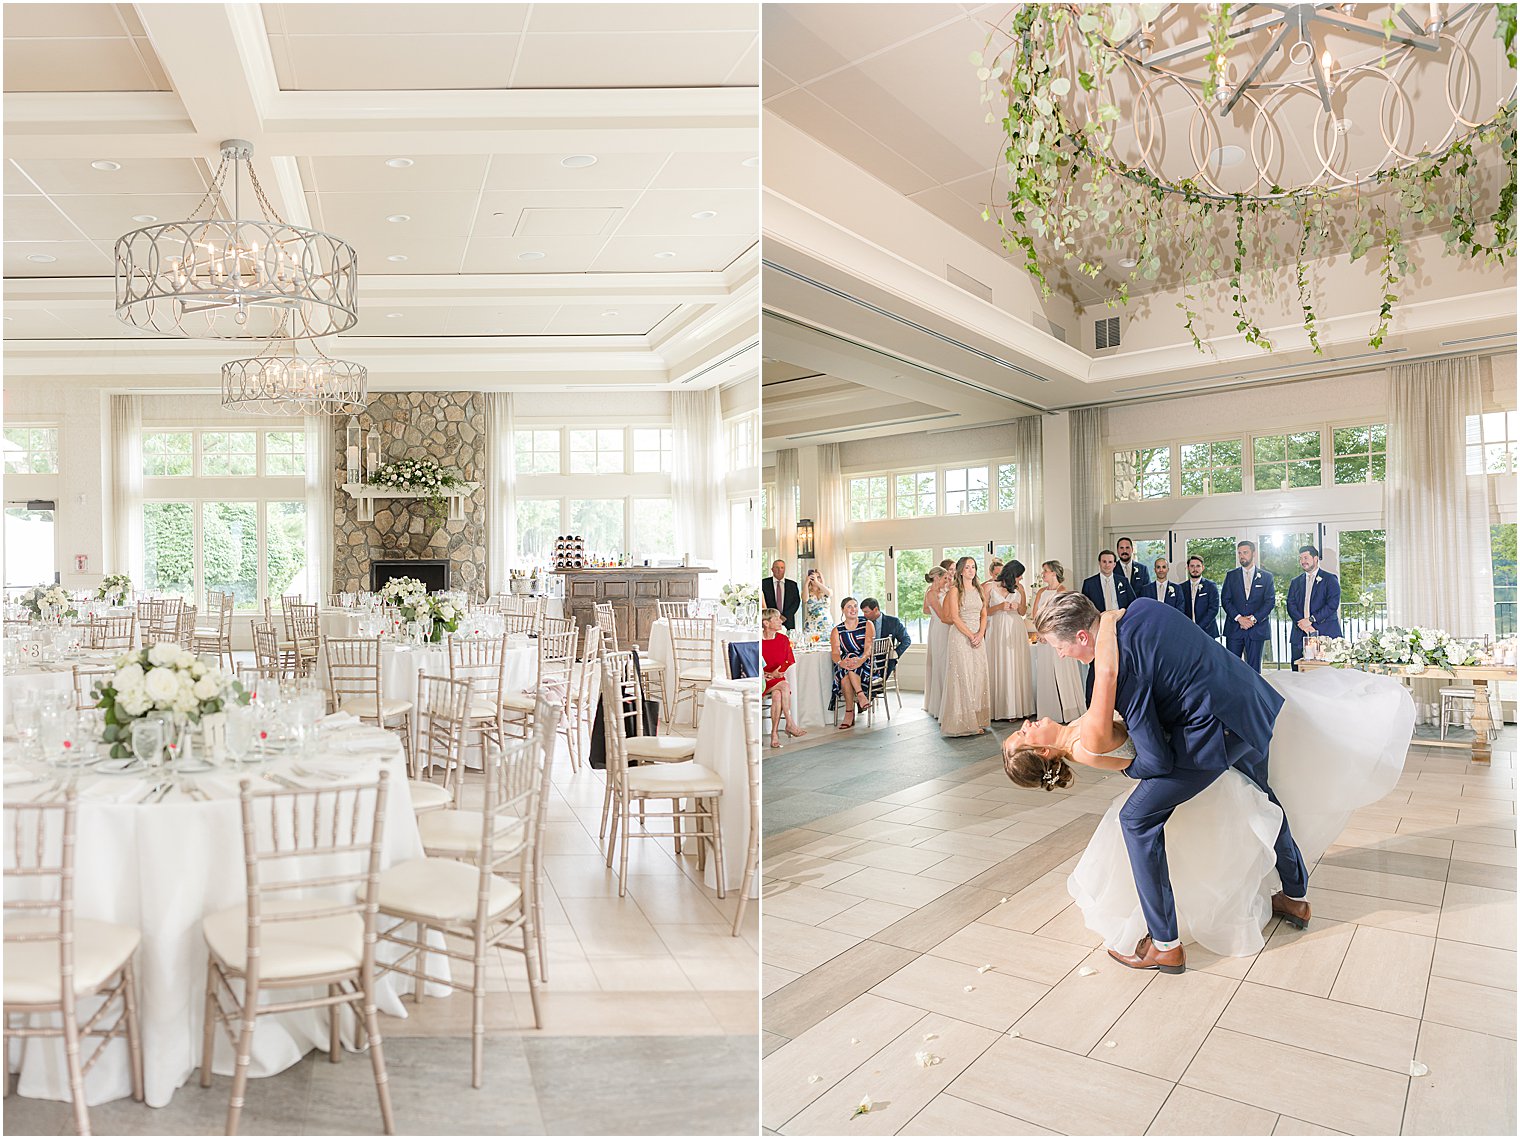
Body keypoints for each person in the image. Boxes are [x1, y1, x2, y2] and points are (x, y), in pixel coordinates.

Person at [1006, 592, 1412, 963]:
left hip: (1217, 732)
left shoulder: (1113, 673)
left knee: (1136, 820)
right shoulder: (1144, 607)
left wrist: (1132, 770)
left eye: (1058, 647)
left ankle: (1165, 946)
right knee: (1261, 795)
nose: (1059, 656)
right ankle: (1295, 896)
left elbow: (1154, 758)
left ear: (1080, 637)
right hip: (1250, 703)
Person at [937, 556, 991, 737]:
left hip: (978, 637)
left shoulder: (979, 589)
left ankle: (977, 719)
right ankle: (963, 723)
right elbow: (954, 617)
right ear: (960, 571)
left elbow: (984, 614)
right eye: (967, 567)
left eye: (973, 567)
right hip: (961, 637)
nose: (971, 570)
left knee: (978, 676)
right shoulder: (955, 591)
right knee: (963, 676)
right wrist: (970, 635)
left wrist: (980, 634)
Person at [1031, 561, 1087, 722]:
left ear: (1054, 573)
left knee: (1062, 672)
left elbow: (1061, 615)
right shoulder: (1041, 591)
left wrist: (1048, 633)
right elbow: (1036, 613)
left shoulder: (1062, 591)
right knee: (1046, 672)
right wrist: (1040, 632)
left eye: (1046, 571)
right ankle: (1050, 712)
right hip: (1043, 638)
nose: (1043, 574)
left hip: (1058, 637)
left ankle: (1069, 710)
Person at [985, 560, 1035, 721]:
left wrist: (1016, 607)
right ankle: (999, 708)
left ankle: (1016, 708)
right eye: (1019, 576)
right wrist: (999, 607)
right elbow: (983, 611)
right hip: (996, 629)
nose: (1020, 579)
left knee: (1015, 665)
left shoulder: (1019, 588)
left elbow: (1023, 611)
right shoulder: (989, 587)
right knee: (998, 664)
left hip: (1015, 629)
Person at [1222, 540, 1275, 673]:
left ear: (1253, 553)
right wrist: (1239, 618)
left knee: (1254, 670)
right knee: (1232, 669)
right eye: (1239, 553)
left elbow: (1269, 602)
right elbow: (1225, 600)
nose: (1242, 556)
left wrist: (1253, 619)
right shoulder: (1231, 576)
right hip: (1235, 629)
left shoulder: (1266, 577)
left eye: (1245, 552)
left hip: (1256, 629)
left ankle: (1253, 694)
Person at [1286, 545, 1342, 668]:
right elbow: (1290, 604)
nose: (1303, 561)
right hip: (1299, 633)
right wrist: (1301, 623)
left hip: (1325, 631)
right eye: (1300, 558)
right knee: (1297, 673)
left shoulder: (1330, 579)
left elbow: (1332, 605)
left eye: (1306, 557)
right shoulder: (1295, 582)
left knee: (1327, 673)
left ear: (1315, 558)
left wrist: (1310, 620)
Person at [760, 607, 807, 749]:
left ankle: (774, 733)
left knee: (777, 695)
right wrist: (766, 675)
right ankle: (790, 723)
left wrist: (777, 672)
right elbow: (753, 662)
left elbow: (789, 660)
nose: (780, 621)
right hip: (762, 680)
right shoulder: (758, 640)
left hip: (777, 678)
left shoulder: (783, 639)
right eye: (776, 619)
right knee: (784, 686)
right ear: (766, 623)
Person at [829, 596, 874, 729]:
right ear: (842, 610)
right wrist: (840, 662)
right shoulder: (837, 630)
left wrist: (861, 660)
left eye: (855, 606)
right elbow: (835, 653)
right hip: (847, 665)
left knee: (848, 668)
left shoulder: (867, 624)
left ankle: (849, 713)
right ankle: (861, 696)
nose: (853, 609)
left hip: (866, 664)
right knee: (846, 672)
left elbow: (868, 648)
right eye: (849, 606)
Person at [922, 567, 952, 719]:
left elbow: (926, 611)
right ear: (936, 578)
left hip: (945, 627)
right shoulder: (931, 594)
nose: (946, 581)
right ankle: (940, 705)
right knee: (941, 662)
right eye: (944, 578)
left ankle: (949, 702)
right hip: (941, 628)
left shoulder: (945, 591)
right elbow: (942, 615)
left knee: (948, 662)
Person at [860, 598, 910, 679]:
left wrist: (896, 653)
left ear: (875, 609)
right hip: (866, 658)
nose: (864, 615)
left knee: (875, 682)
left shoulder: (893, 622)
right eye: (863, 612)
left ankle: (873, 689)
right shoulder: (862, 621)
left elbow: (906, 640)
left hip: (885, 659)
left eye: (866, 612)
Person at [1176, 555, 1221, 638]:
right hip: (1187, 631)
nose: (1195, 569)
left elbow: (1213, 609)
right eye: (1192, 566)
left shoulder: (1211, 586)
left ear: (1203, 568)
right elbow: (1180, 609)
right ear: (1188, 568)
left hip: (1207, 631)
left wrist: (1199, 627)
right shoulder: (1180, 588)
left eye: (1198, 566)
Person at [762, 560, 801, 631]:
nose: (779, 570)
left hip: (788, 620)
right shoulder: (764, 584)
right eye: (776, 567)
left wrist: (785, 616)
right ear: (772, 569)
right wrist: (774, 616)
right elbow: (763, 603)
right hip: (770, 621)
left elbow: (796, 602)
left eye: (782, 568)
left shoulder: (792, 585)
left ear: (785, 569)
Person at [802, 569, 832, 641]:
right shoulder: (807, 591)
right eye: (813, 577)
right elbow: (805, 599)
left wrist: (817, 582)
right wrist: (806, 583)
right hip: (811, 624)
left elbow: (829, 593)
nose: (816, 579)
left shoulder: (826, 589)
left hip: (826, 623)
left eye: (818, 577)